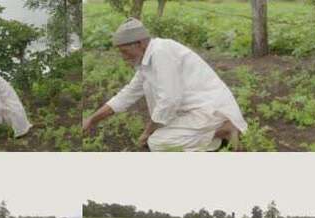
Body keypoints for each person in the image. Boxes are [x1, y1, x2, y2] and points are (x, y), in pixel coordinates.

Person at [83, 18, 247, 152]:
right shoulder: (147, 61)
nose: (124, 58)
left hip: (209, 109)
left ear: (139, 43)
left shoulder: (161, 52)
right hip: (192, 110)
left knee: (158, 143)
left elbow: (169, 100)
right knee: (157, 124)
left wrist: (148, 132)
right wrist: (92, 119)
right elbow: (127, 95)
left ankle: (222, 131)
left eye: (125, 52)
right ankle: (218, 133)